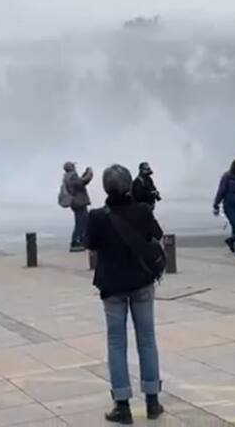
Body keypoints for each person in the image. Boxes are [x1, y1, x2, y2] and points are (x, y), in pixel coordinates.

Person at [85, 164, 164, 424]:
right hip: (142, 283)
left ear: (105, 188)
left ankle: (122, 404)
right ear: (130, 185)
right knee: (147, 339)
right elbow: (157, 235)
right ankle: (153, 400)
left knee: (117, 344)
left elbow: (91, 245)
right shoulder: (142, 211)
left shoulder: (97, 216)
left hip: (112, 286)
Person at [213, 157, 235, 258]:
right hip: (229, 205)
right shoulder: (227, 176)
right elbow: (221, 191)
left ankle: (233, 241)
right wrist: (216, 204)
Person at [62, 162, 93, 252]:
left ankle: (80, 241)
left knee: (82, 222)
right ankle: (76, 242)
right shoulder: (72, 176)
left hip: (76, 202)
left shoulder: (68, 176)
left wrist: (85, 174)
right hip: (79, 202)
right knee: (81, 222)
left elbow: (79, 182)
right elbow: (82, 182)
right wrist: (90, 174)